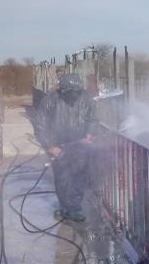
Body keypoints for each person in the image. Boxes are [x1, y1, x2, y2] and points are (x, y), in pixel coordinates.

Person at [28, 72, 97, 221]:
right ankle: (65, 206)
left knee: (78, 176)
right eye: (69, 92)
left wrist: (89, 134)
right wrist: (50, 145)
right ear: (62, 90)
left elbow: (92, 119)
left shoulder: (87, 100)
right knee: (62, 177)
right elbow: (41, 125)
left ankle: (73, 207)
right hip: (58, 146)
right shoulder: (50, 101)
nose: (73, 96)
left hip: (80, 146)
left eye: (76, 92)